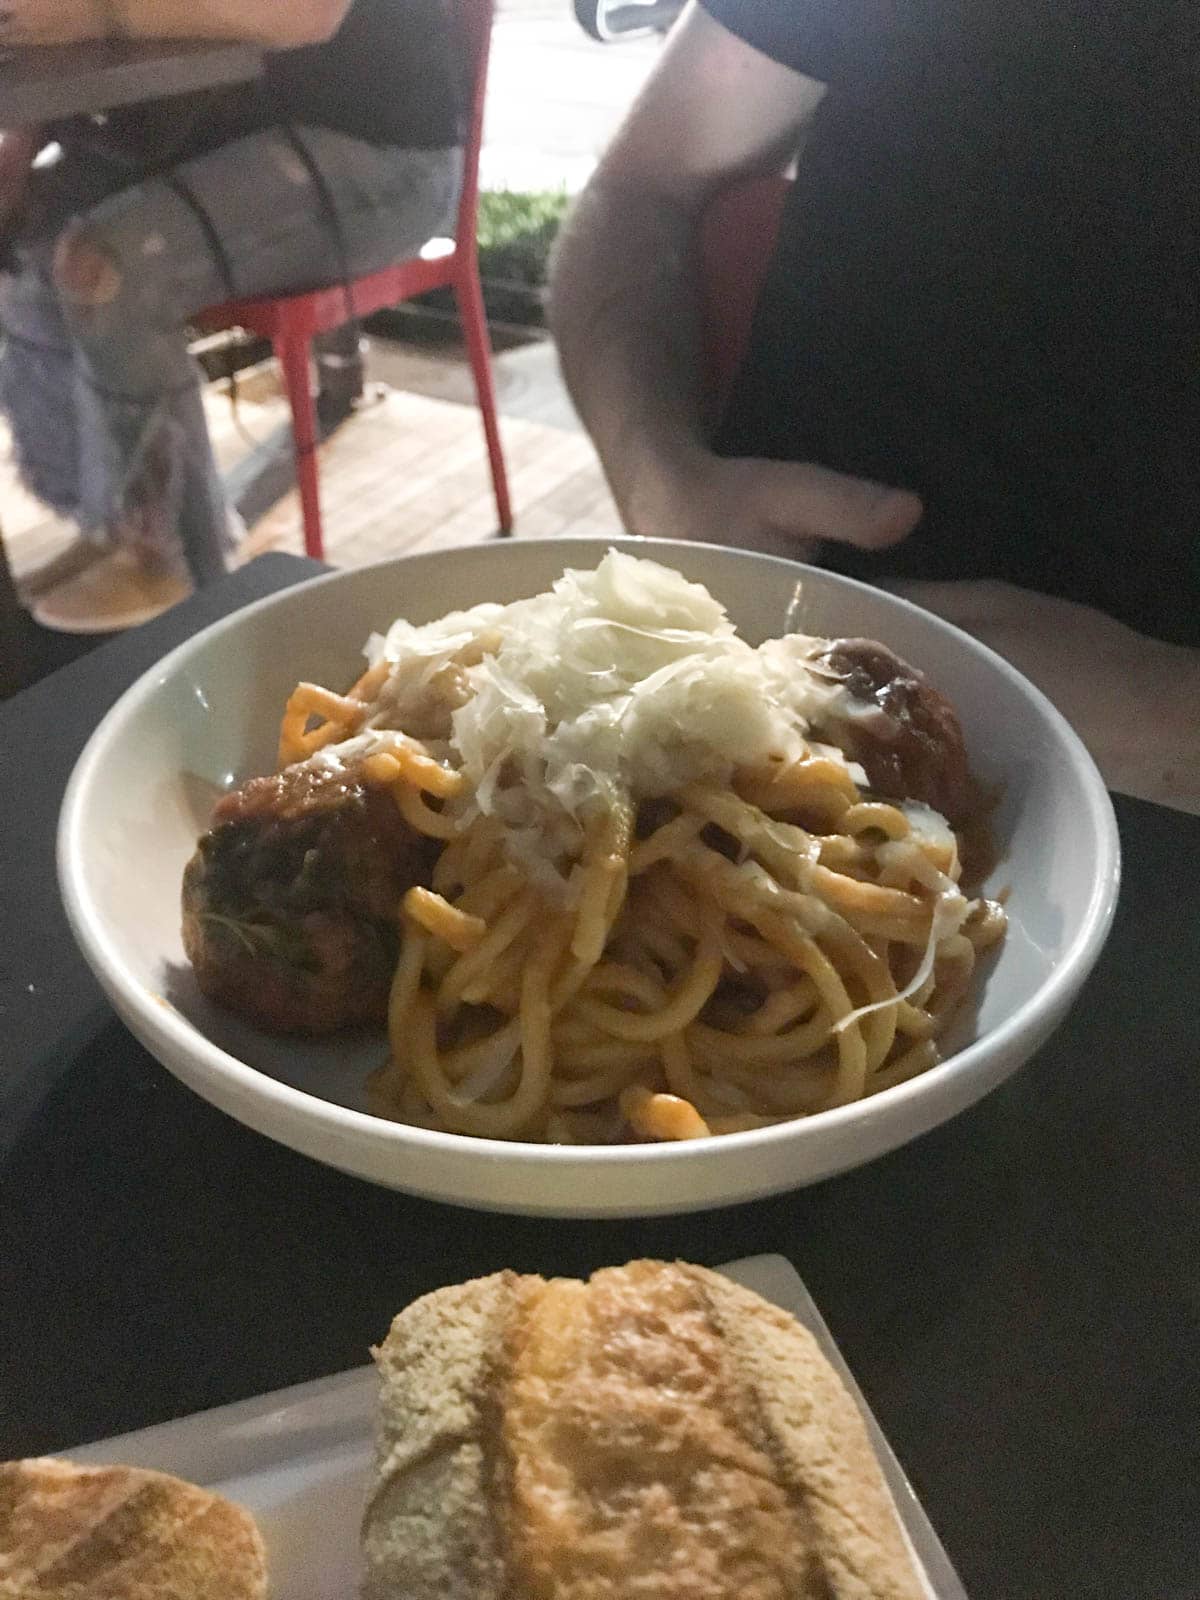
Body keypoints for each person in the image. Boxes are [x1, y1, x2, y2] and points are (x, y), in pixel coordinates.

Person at [550, 0, 1200, 666]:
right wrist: (664, 483)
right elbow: (640, 188)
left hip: (1134, 744)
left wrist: (1169, 712)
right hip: (751, 644)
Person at [0, 0, 464, 629]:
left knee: (109, 269)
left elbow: (306, 15)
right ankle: (120, 513)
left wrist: (94, 15)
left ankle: (184, 566)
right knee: (26, 242)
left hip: (387, 160)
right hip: (247, 135)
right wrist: (18, 150)